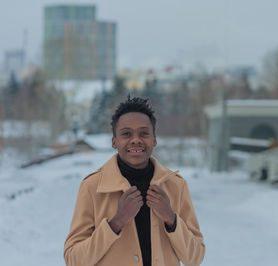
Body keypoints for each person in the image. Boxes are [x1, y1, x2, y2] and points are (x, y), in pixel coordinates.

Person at [64, 96, 205, 266]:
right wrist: (116, 223)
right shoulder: (92, 187)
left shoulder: (176, 186)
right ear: (114, 142)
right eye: (126, 134)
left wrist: (171, 218)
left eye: (144, 133)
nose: (136, 140)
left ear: (154, 140)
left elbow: (195, 258)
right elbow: (73, 260)